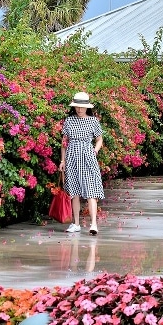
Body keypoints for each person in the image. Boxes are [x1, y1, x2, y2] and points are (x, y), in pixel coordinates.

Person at [59, 92, 105, 235]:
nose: (79, 109)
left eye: (82, 107)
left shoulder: (93, 121)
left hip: (88, 157)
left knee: (91, 191)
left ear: (87, 107)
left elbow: (99, 139)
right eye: (77, 107)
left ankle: (93, 224)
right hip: (72, 157)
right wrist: (63, 160)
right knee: (74, 192)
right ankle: (76, 224)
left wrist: (95, 151)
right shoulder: (69, 121)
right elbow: (64, 143)